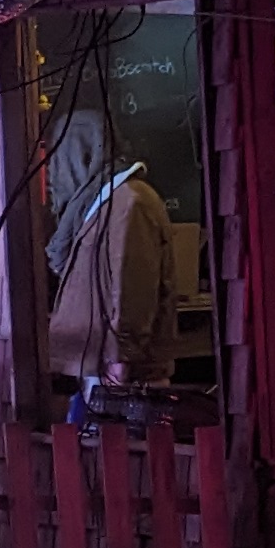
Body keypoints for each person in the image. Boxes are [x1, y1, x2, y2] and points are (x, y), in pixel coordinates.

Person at [40, 95, 178, 404]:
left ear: (82, 153)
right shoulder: (99, 204)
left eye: (60, 156)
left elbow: (133, 290)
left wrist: (120, 361)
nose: (53, 172)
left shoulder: (128, 202)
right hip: (101, 367)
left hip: (124, 376)